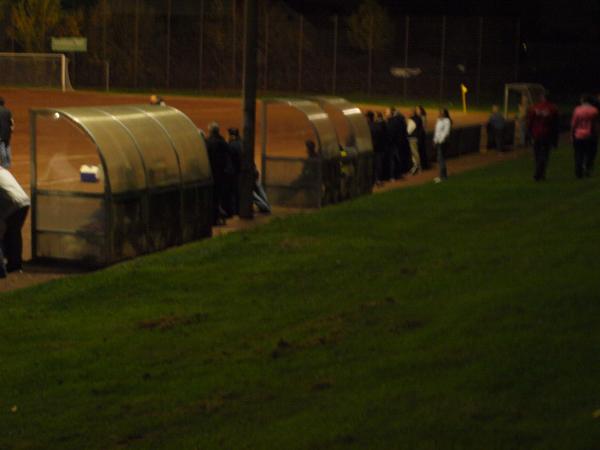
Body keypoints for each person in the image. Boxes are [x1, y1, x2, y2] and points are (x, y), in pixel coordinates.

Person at [0, 166, 30, 274]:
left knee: (10, 233)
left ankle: (10, 265)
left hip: (13, 204)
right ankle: (15, 264)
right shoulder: (2, 169)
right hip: (23, 201)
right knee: (13, 233)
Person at [205, 122, 234, 225]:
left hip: (211, 174)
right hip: (222, 174)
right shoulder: (222, 142)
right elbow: (229, 154)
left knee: (212, 197)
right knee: (218, 197)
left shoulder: (208, 142)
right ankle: (218, 217)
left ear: (210, 131)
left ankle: (213, 219)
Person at [527, 94, 559, 181]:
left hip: (536, 134)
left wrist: (529, 134)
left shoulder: (534, 107)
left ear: (541, 98)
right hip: (547, 134)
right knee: (545, 154)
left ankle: (540, 173)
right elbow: (555, 125)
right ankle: (540, 173)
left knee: (537, 154)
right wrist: (555, 139)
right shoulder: (553, 108)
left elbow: (530, 122)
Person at [571, 94, 599, 178]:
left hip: (579, 135)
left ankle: (578, 171)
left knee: (579, 154)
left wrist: (572, 134)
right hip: (590, 135)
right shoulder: (594, 110)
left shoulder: (577, 110)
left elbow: (574, 124)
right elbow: (596, 125)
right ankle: (587, 168)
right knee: (590, 154)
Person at [433, 108, 452, 183]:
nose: (440, 114)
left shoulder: (446, 121)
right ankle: (444, 175)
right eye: (439, 112)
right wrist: (435, 140)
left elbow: (446, 132)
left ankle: (442, 176)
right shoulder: (439, 120)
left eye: (441, 113)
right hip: (438, 142)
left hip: (443, 142)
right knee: (440, 158)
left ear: (445, 114)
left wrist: (440, 141)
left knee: (441, 159)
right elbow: (437, 132)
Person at [227, 127, 243, 215]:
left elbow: (232, 160)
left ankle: (236, 210)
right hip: (241, 172)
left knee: (234, 192)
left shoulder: (232, 145)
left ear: (232, 136)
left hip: (235, 172)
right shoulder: (242, 143)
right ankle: (240, 209)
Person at [0, 97, 14, 169]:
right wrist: (11, 130)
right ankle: (9, 163)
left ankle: (4, 164)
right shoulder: (8, 111)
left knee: (1, 147)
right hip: (7, 133)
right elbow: (12, 123)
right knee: (7, 146)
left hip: (0, 133)